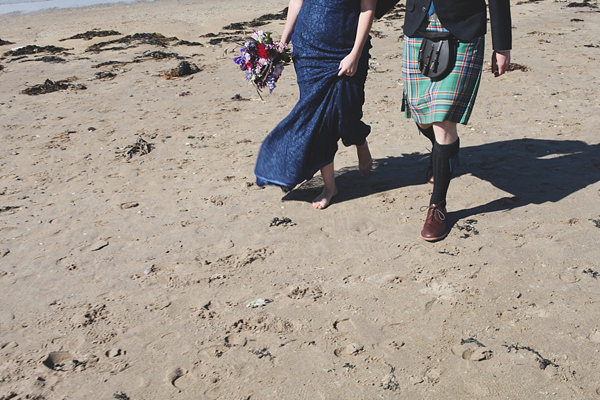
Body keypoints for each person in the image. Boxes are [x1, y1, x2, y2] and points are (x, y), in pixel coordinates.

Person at [401, 0, 512, 240]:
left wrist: (502, 45)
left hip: (463, 28)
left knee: (443, 120)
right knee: (423, 118)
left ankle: (437, 207)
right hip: (417, 25)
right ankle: (444, 154)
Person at [254, 0, 377, 209]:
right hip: (308, 48)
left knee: (347, 112)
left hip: (346, 48)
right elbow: (296, 2)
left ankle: (359, 139)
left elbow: (367, 8)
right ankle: (330, 187)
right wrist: (282, 45)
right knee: (317, 118)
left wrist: (355, 54)